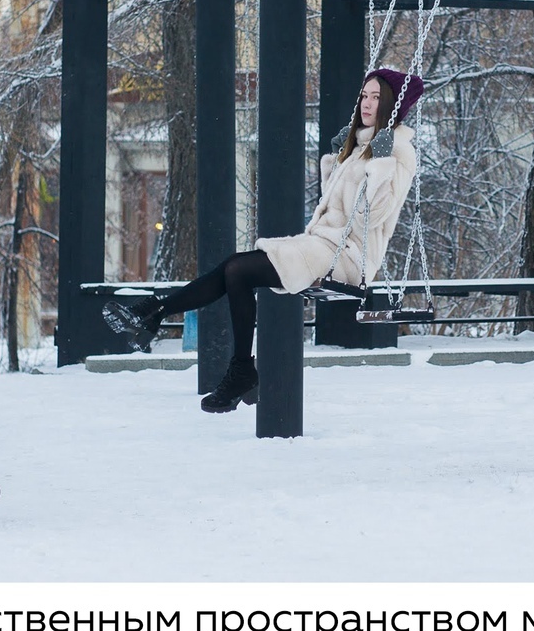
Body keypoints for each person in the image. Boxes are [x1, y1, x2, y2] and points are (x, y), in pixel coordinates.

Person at [105, 67, 422, 413]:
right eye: (365, 95)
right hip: (321, 244)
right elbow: (333, 208)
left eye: (377, 97)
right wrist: (336, 162)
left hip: (348, 257)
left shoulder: (398, 154)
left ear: (391, 104)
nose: (367, 103)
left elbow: (368, 219)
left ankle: (182, 329)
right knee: (234, 267)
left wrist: (381, 162)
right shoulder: (359, 144)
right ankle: (164, 315)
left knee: (240, 270)